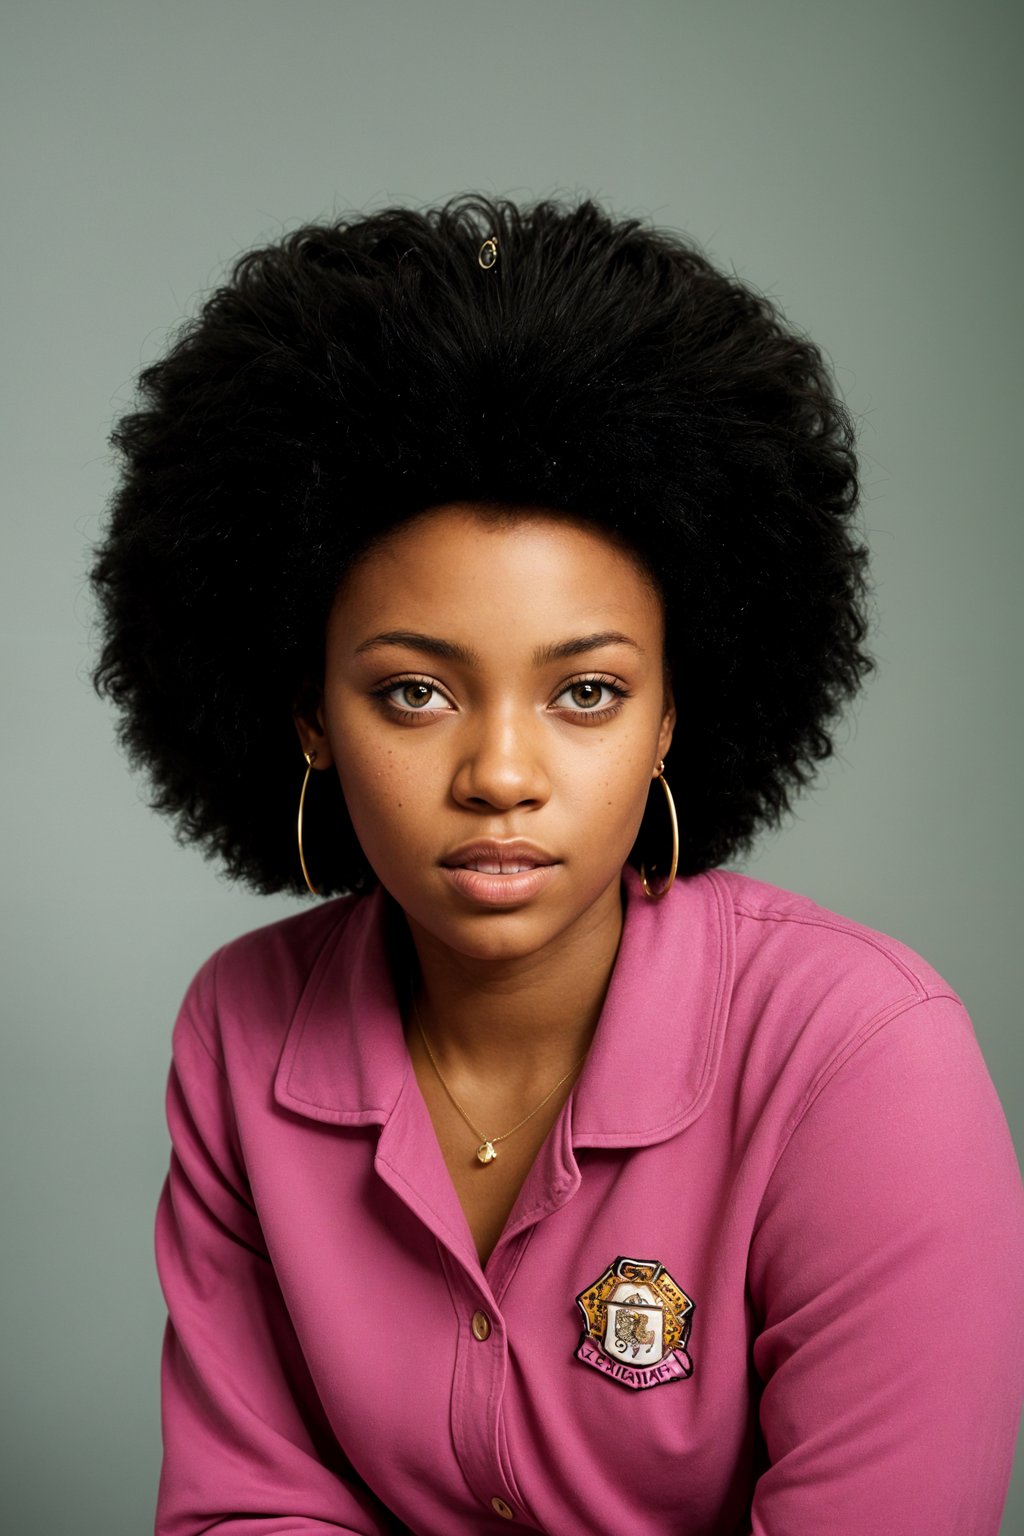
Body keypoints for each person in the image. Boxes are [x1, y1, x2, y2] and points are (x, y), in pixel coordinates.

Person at [90, 194, 1023, 1536]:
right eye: (416, 693)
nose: (503, 774)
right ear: (307, 714)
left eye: (584, 693)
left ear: (671, 720)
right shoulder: (243, 1032)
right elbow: (251, 1508)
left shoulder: (861, 1058)